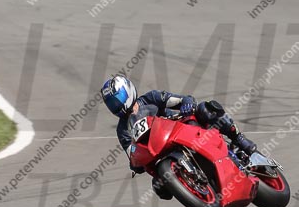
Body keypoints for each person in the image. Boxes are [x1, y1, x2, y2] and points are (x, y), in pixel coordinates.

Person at [101, 75, 257, 200]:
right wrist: (135, 164)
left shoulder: (151, 98)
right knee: (159, 186)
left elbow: (183, 99)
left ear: (127, 91)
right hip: (160, 151)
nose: (116, 106)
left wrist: (186, 105)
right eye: (112, 104)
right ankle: (193, 185)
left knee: (205, 109)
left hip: (181, 129)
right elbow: (132, 153)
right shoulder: (122, 129)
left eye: (117, 99)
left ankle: (238, 138)